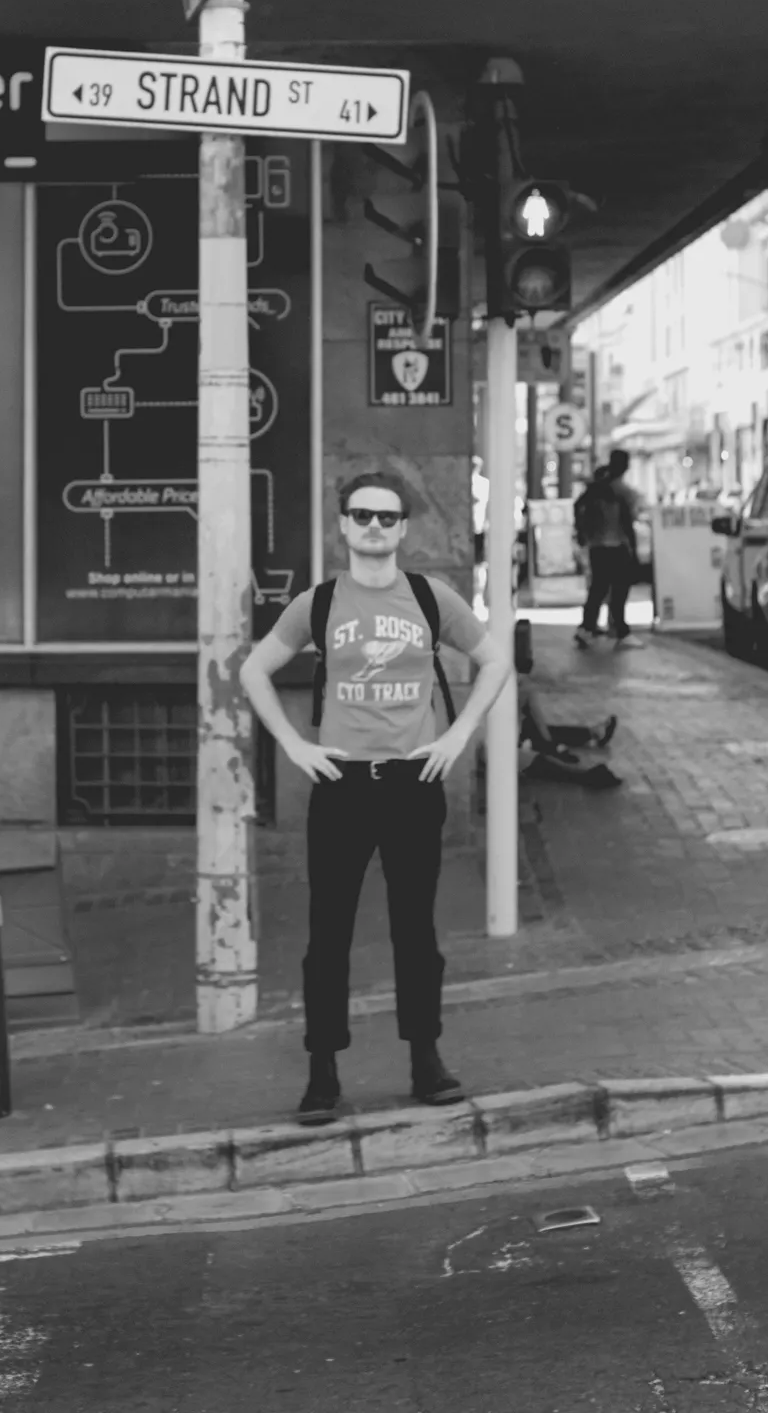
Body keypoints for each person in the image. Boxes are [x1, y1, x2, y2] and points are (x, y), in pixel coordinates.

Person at [240, 469, 510, 1126]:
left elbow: (495, 659)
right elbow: (253, 668)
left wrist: (459, 737)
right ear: (342, 525)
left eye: (386, 518)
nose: (373, 527)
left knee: (415, 930)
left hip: (413, 785)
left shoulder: (428, 596)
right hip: (341, 786)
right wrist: (295, 748)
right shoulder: (319, 604)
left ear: (403, 529)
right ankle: (322, 1071)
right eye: (361, 515)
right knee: (326, 934)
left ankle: (425, 1059)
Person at [573, 448, 644, 649]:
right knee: (619, 590)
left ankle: (586, 628)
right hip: (617, 545)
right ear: (626, 465)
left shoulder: (596, 487)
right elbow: (627, 522)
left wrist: (582, 532)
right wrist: (634, 549)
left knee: (598, 588)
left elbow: (578, 505)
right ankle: (621, 631)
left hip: (597, 545)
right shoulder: (621, 490)